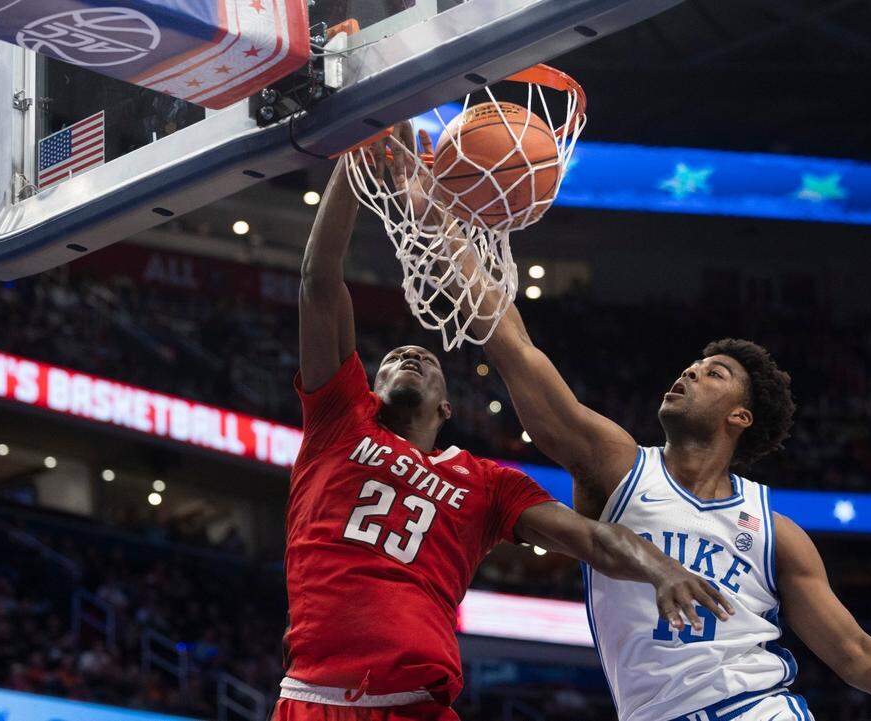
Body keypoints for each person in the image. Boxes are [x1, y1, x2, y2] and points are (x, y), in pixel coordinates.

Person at [450, 215, 871, 719]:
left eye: (713, 373)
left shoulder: (777, 533)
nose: (692, 373)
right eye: (693, 366)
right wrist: (443, 229)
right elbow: (515, 348)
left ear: (740, 416)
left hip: (756, 707)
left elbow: (856, 654)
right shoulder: (616, 467)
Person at [272, 132, 730, 721]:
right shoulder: (339, 423)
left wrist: (662, 568)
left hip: (421, 706)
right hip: (316, 699)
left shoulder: (486, 482)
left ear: (446, 410)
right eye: (392, 361)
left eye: (427, 360)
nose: (409, 357)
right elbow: (318, 279)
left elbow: (591, 538)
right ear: (369, 388)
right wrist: (356, 149)